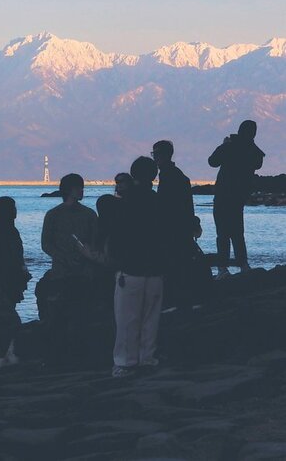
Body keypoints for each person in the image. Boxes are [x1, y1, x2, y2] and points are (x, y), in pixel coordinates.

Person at [108, 157, 166, 377]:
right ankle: (147, 358)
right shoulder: (159, 202)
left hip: (130, 268)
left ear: (133, 175)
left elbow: (116, 235)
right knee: (151, 318)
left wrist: (116, 259)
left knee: (126, 319)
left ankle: (125, 362)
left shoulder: (125, 203)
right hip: (155, 268)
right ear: (154, 175)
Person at [36, 173, 98, 366]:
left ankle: (77, 355)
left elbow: (94, 242)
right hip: (61, 273)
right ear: (68, 190)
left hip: (82, 274)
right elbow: (46, 244)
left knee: (81, 315)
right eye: (78, 187)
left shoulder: (89, 215)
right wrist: (63, 257)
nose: (82, 190)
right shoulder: (53, 215)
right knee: (58, 316)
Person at [209, 120, 265, 276]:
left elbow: (212, 162)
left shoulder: (229, 147)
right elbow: (258, 163)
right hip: (238, 198)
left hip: (222, 195)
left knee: (222, 234)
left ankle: (222, 268)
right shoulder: (253, 152)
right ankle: (243, 265)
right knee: (238, 233)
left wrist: (224, 145)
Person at [152, 140, 202, 308]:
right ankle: (184, 299)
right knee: (181, 264)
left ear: (164, 155)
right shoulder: (176, 175)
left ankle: (176, 300)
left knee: (174, 264)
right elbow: (188, 206)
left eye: (156, 155)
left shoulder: (169, 176)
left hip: (173, 230)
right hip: (181, 229)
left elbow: (168, 206)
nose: (155, 159)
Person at [0, 196, 30, 367]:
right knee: (6, 318)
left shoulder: (2, 231)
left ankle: (4, 353)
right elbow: (13, 258)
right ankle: (4, 354)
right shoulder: (7, 231)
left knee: (3, 318)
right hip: (5, 282)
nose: (15, 212)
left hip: (2, 282)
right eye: (12, 208)